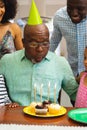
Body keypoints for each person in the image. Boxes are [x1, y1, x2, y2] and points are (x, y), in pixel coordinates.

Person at [0, 0, 78, 106]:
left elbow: (76, 96)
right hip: (16, 119)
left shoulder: (60, 63)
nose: (40, 49)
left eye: (45, 43)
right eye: (33, 44)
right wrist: (7, 104)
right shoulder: (7, 62)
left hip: (49, 119)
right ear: (23, 43)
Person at [50, 0, 87, 77]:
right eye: (70, 8)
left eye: (80, 9)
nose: (74, 13)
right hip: (72, 73)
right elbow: (53, 42)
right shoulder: (59, 17)